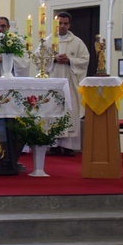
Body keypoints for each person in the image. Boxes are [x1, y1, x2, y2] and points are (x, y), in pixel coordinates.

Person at [43, 12, 89, 156]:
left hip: (69, 84)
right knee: (53, 110)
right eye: (59, 23)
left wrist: (70, 60)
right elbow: (38, 60)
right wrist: (54, 59)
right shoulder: (47, 41)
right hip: (53, 84)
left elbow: (85, 60)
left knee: (70, 111)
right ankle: (54, 144)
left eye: (65, 23)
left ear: (70, 25)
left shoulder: (77, 42)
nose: (62, 26)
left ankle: (68, 146)